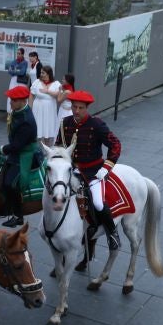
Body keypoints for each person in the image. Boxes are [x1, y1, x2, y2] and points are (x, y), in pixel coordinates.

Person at [54, 90, 122, 250]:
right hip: (71, 170)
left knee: (98, 203)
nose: (76, 111)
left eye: (81, 108)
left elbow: (115, 144)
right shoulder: (65, 123)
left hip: (94, 171)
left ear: (87, 108)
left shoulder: (96, 124)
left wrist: (106, 167)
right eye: (74, 107)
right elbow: (59, 146)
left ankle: (112, 233)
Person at [0, 86, 37, 228]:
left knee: (11, 183)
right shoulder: (18, 111)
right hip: (16, 150)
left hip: (25, 153)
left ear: (22, 100)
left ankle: (18, 216)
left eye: (13, 100)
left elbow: (16, 146)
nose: (10, 103)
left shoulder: (27, 120)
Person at [30, 65, 61, 146]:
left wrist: (47, 91)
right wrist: (30, 108)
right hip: (38, 109)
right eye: (41, 72)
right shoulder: (37, 82)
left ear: (48, 74)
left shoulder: (56, 84)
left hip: (49, 110)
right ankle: (37, 149)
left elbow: (58, 95)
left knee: (48, 129)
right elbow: (31, 95)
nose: (41, 74)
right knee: (37, 129)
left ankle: (48, 148)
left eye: (43, 73)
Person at [5, 47, 29, 113]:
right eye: (17, 53)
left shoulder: (25, 62)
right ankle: (11, 111)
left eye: (19, 53)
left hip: (21, 81)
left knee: (20, 95)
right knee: (12, 94)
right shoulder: (14, 61)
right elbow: (9, 71)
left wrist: (14, 70)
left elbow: (22, 72)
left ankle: (21, 110)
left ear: (22, 54)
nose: (18, 55)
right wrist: (17, 70)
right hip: (13, 81)